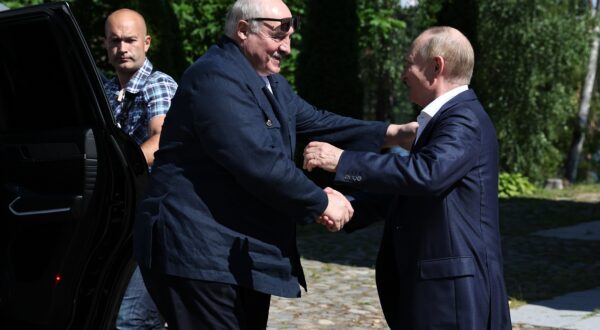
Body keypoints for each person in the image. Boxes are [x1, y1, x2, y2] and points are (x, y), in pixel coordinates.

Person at [133, 0, 417, 328]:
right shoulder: (215, 79)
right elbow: (259, 162)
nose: (288, 47)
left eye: (291, 35)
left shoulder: (267, 80)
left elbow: (317, 122)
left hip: (232, 253)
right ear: (243, 30)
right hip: (196, 252)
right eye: (278, 35)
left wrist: (395, 134)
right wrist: (323, 202)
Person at [303, 26, 512, 329]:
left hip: (453, 297)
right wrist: (349, 207)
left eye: (409, 63)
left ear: (436, 66)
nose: (403, 74)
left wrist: (342, 160)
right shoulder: (441, 120)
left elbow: (426, 175)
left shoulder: (463, 118)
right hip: (436, 292)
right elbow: (407, 189)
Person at [103, 8, 177, 330]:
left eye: (130, 40)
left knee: (133, 321)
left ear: (146, 43)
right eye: (115, 41)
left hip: (156, 221)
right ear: (106, 45)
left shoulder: (157, 85)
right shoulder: (106, 90)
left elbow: (162, 139)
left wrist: (118, 168)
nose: (123, 48)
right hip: (122, 218)